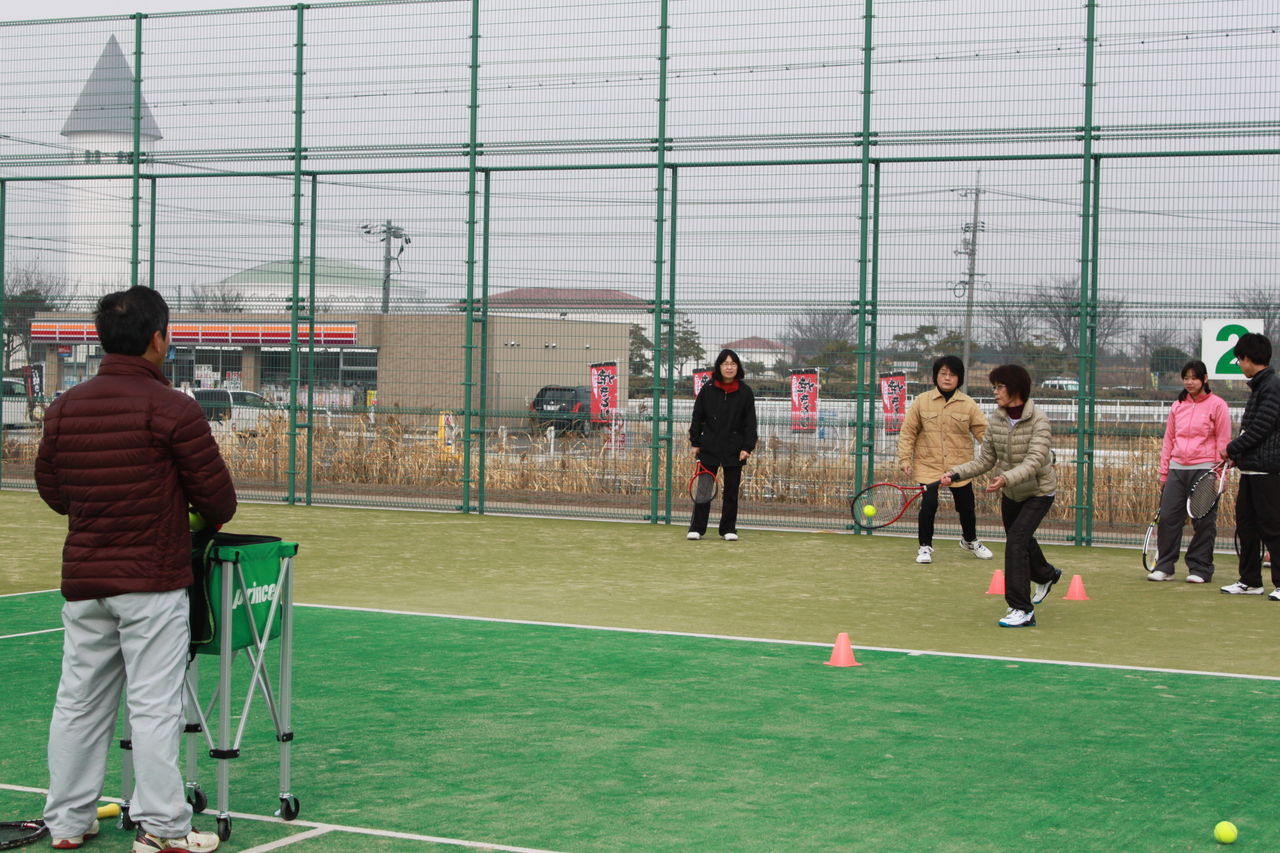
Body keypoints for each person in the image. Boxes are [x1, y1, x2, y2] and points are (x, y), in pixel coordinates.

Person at [36, 286, 237, 853]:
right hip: (152, 582)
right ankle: (163, 828)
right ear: (158, 339)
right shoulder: (174, 408)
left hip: (87, 581)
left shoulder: (64, 407)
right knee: (153, 706)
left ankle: (68, 822)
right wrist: (185, 513)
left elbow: (53, 491)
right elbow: (218, 501)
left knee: (78, 703)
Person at [941, 364, 1060, 628]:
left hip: (1039, 491)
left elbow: (1034, 461)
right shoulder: (996, 420)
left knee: (1016, 541)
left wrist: (1005, 478)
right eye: (994, 387)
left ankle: (1022, 609)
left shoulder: (1039, 420)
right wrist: (955, 473)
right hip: (1011, 493)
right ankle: (1046, 575)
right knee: (1020, 539)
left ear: (1016, 388)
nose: (995, 392)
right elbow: (985, 459)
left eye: (999, 387)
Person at [896, 355, 991, 564]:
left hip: (960, 467)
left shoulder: (968, 404)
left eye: (952, 374)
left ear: (959, 378)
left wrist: (999, 455)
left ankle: (970, 541)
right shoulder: (922, 401)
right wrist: (905, 459)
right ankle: (924, 547)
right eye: (943, 373)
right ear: (935, 376)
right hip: (928, 465)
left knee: (966, 506)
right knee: (929, 503)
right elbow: (908, 432)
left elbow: (984, 433)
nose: (947, 378)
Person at [1150, 360, 1232, 582]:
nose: (1189, 382)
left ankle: (1200, 569)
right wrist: (1164, 473)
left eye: (1194, 378)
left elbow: (1223, 442)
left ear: (1204, 379)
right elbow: (1169, 440)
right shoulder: (1177, 406)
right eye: (1186, 378)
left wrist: (1219, 475)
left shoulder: (1218, 405)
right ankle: (1164, 566)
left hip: (1205, 470)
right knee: (1168, 518)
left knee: (1204, 522)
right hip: (1177, 469)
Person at [1218, 332, 1280, 599]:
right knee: (1246, 526)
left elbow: (1262, 427)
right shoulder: (1259, 386)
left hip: (1268, 471)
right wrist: (1238, 456)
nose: (1239, 365)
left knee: (1273, 528)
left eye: (1239, 360)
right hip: (1251, 470)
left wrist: (1232, 448)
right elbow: (1252, 431)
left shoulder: (1272, 386)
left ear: (1248, 358)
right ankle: (1250, 581)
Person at [687, 348, 758, 541]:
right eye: (725, 364)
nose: (729, 367)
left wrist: (747, 447)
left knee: (731, 492)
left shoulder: (745, 392)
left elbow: (750, 423)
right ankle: (697, 528)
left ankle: (728, 529)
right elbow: (697, 417)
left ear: (738, 367)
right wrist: (695, 442)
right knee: (704, 490)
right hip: (709, 447)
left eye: (733, 364)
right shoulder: (708, 389)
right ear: (719, 366)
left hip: (735, 449)